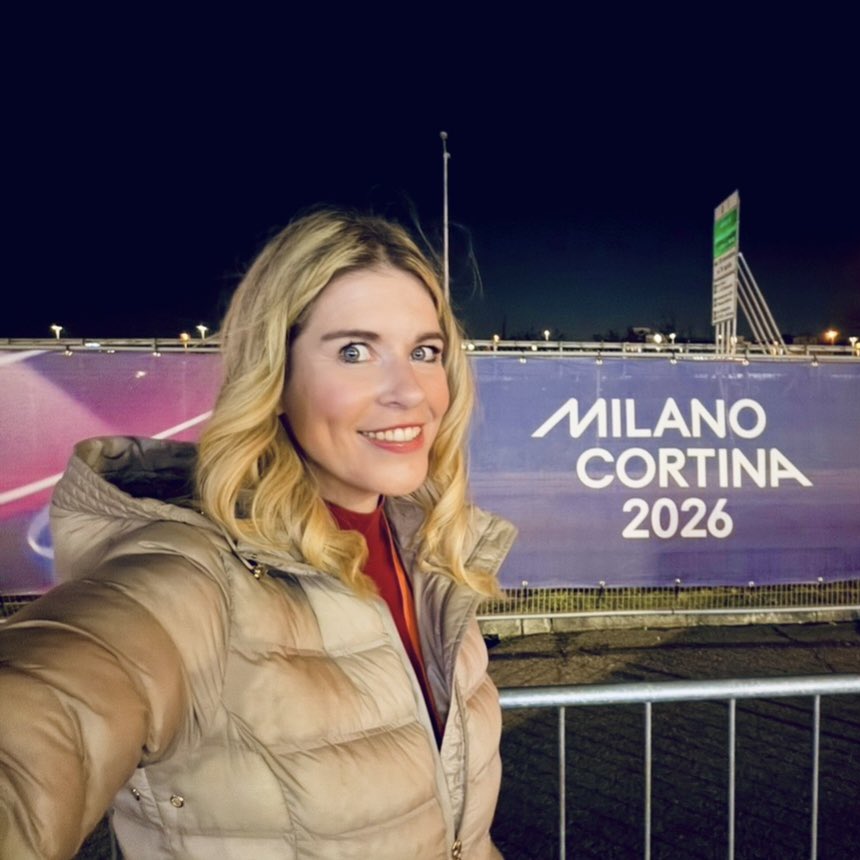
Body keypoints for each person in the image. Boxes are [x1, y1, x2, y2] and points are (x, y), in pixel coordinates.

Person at [0, 209, 517, 859]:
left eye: (424, 351)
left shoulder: (430, 556)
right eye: (354, 351)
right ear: (276, 377)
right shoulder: (194, 576)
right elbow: (47, 712)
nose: (407, 391)